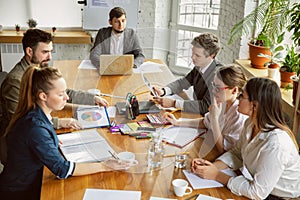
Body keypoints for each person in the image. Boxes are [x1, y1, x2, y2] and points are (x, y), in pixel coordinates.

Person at [0, 66, 130, 200]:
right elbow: (62, 170)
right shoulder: (35, 128)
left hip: (28, 182)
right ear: (43, 96)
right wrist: (105, 165)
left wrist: (51, 141)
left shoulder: (37, 115)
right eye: (60, 94)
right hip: (20, 193)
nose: (67, 98)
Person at [0, 28, 108, 162]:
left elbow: (64, 92)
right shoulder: (15, 81)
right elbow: (20, 122)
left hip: (36, 130)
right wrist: (58, 122)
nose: (50, 57)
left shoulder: (39, 68)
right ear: (29, 51)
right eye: (45, 52)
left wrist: (92, 99)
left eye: (51, 51)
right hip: (19, 147)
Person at [191, 78, 300, 200]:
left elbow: (257, 192)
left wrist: (216, 175)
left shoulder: (276, 143)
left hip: (279, 197)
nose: (238, 98)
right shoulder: (250, 123)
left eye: (242, 95)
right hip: (262, 189)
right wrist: (212, 167)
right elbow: (237, 153)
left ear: (255, 105)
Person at [164, 64, 248, 154]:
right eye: (213, 85)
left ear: (234, 90)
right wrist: (177, 122)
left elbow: (222, 150)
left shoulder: (239, 117)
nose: (213, 91)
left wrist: (214, 118)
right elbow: (204, 122)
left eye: (218, 88)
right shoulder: (223, 102)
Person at [152, 32, 223, 114]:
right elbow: (183, 82)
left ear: (211, 56)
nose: (192, 57)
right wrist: (163, 91)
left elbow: (205, 106)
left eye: (197, 55)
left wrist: (174, 103)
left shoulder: (218, 76)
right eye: (192, 53)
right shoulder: (200, 65)